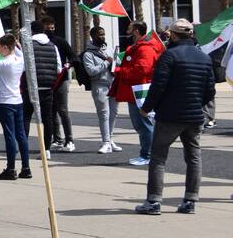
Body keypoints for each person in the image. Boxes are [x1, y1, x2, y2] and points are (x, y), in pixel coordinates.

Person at [134, 19, 215, 215]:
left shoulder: (169, 56)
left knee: (158, 157)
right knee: (194, 158)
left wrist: (146, 108)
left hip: (170, 116)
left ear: (174, 35)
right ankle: (190, 201)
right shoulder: (204, 57)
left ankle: (153, 202)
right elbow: (210, 90)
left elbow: (158, 86)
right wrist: (197, 104)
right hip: (194, 117)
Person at [110, 21, 165, 166]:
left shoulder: (145, 49)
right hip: (135, 92)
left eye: (129, 27)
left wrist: (119, 71)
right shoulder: (139, 47)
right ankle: (147, 154)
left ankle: (148, 155)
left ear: (136, 30)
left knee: (143, 125)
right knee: (141, 125)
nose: (126, 29)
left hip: (139, 92)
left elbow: (142, 70)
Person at [0, 34, 31, 180]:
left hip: (5, 101)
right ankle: (26, 167)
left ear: (5, 47)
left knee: (9, 135)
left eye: (0, 48)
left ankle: (11, 167)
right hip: (17, 100)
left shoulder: (2, 64)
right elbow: (20, 55)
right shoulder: (19, 61)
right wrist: (17, 46)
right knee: (21, 135)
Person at [25, 20, 61, 161]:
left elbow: (23, 66)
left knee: (26, 117)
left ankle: (23, 147)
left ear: (32, 31)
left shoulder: (29, 45)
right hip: (48, 86)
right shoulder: (53, 46)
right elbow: (59, 68)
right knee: (48, 118)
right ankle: (46, 149)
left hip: (32, 87)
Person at [83, 26, 121, 154]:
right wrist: (106, 63)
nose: (102, 37)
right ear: (93, 36)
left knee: (114, 114)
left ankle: (110, 139)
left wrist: (117, 62)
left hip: (113, 84)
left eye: (103, 34)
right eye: (100, 34)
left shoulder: (109, 49)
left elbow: (118, 63)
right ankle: (105, 142)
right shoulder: (88, 54)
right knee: (104, 114)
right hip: (100, 85)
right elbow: (91, 71)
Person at [42, 16, 77, 152]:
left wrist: (68, 65)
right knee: (51, 111)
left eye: (52, 28)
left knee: (62, 109)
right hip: (47, 80)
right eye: (47, 28)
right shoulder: (41, 43)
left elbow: (74, 56)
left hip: (61, 79)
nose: (50, 30)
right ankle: (57, 139)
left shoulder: (60, 41)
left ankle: (70, 140)